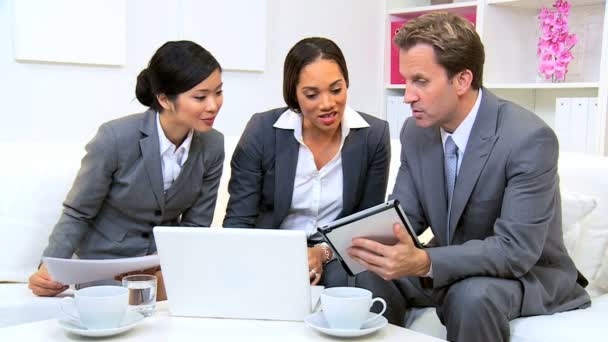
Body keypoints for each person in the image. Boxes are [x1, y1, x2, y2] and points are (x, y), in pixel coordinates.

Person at [347, 12, 590, 342]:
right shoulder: (416, 133)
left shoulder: (529, 138)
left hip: (525, 274)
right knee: (362, 275)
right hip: (450, 261)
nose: (407, 96)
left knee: (470, 297)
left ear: (462, 80)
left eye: (420, 81)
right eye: (406, 81)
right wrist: (340, 248)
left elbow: (515, 250)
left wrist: (424, 261)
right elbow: (404, 218)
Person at [28, 40, 225, 297]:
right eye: (200, 97)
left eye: (218, 92)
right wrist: (49, 267)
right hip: (104, 265)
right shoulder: (114, 138)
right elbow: (79, 212)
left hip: (162, 268)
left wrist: (166, 269)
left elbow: (196, 225)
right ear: (164, 99)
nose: (213, 105)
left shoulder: (213, 144)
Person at [223, 37, 390, 286]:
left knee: (355, 281)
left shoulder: (373, 135)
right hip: (270, 251)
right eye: (312, 94)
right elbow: (239, 222)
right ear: (294, 94)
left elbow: (365, 225)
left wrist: (321, 253)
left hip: (337, 253)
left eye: (336, 90)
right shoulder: (262, 131)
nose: (328, 104)